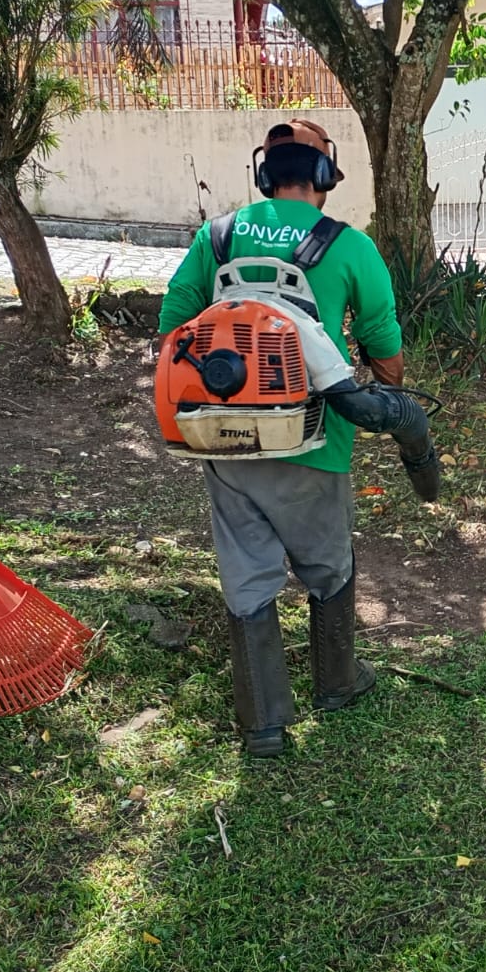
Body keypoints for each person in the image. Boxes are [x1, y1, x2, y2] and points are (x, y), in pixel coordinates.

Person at [157, 119, 404, 758]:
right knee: (327, 562)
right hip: (318, 438)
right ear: (324, 177)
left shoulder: (216, 237)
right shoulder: (350, 247)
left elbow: (173, 326)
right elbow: (384, 348)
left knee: (246, 571)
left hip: (223, 437)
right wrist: (388, 398)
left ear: (265, 172)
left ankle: (264, 722)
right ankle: (338, 682)